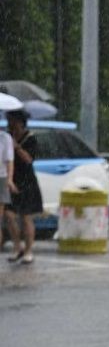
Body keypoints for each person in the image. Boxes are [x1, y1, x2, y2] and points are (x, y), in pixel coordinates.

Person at [5, 109, 43, 264]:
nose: (10, 124)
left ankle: (28, 250)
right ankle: (17, 246)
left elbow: (28, 159)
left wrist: (16, 147)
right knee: (8, 215)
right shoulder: (7, 136)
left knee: (26, 216)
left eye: (12, 120)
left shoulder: (30, 138)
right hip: (12, 179)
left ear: (20, 122)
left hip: (27, 181)